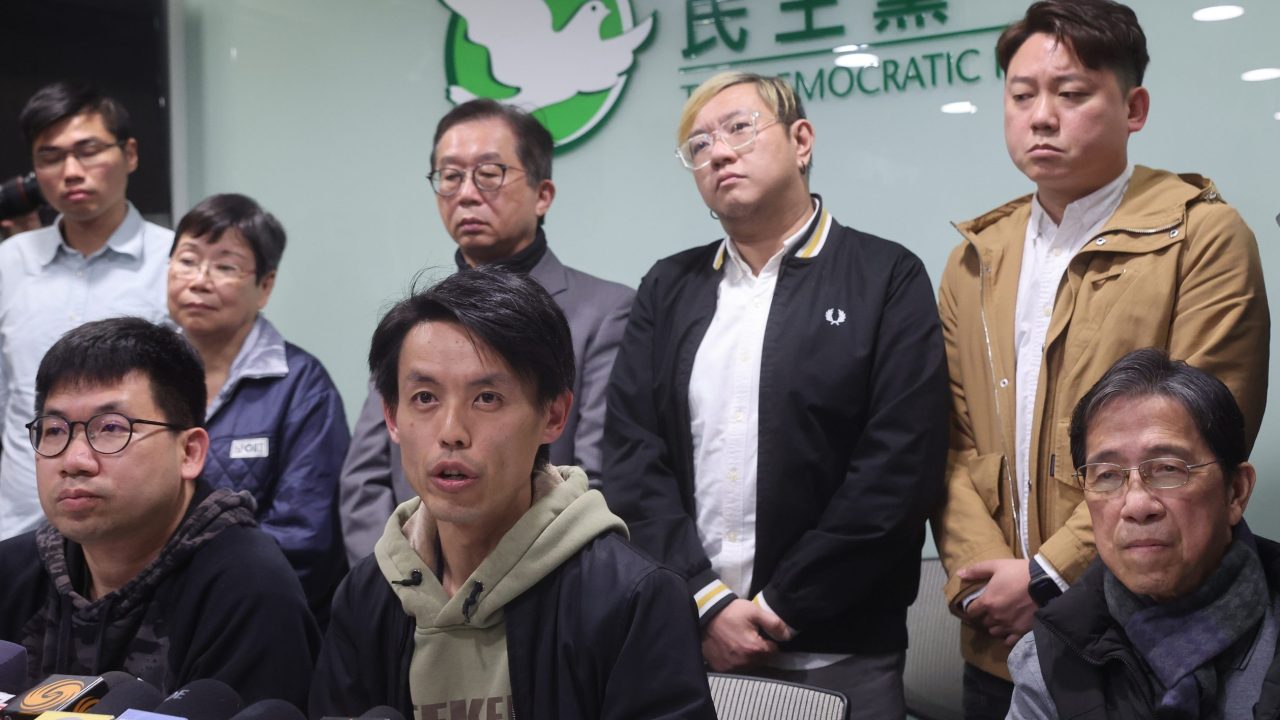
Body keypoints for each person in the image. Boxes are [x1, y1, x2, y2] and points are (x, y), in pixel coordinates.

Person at [932, 2, 1271, 716]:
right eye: (1022, 95)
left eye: (1073, 93)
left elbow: (1210, 433)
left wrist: (1049, 576)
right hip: (994, 634)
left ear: (1134, 106)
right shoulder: (974, 260)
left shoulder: (1202, 236)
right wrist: (982, 580)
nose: (1041, 116)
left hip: (1141, 636)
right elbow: (949, 443)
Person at [603, 71, 948, 715]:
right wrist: (703, 601)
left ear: (801, 141)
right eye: (699, 145)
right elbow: (631, 458)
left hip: (842, 653)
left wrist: (783, 605)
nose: (719, 153)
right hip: (686, 646)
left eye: (738, 128)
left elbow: (899, 470)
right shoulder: (668, 287)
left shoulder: (885, 276)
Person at [312, 267, 714, 719]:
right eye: (424, 398)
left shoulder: (633, 597)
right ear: (391, 417)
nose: (451, 433)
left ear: (554, 415)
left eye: (487, 398)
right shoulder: (367, 596)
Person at [340, 99, 633, 565]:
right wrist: (400, 578)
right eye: (450, 176)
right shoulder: (419, 319)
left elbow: (599, 475)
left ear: (543, 194)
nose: (467, 193)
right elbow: (364, 479)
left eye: (489, 173)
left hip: (545, 577)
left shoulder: (606, 311)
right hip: (414, 584)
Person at [0, 318, 318, 708]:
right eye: (54, 430)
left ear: (190, 453)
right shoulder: (12, 572)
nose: (74, 460)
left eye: (111, 427)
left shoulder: (251, 592)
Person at [1007, 348, 1278, 718]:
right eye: (1107, 475)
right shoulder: (1050, 657)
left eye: (1168, 468)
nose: (1136, 505)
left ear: (1236, 492)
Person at [0, 81, 173, 539]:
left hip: (139, 529)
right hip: (18, 526)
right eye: (50, 157)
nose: (71, 171)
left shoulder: (176, 263)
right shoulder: (9, 263)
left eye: (88, 150)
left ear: (129, 154)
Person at [167, 193, 349, 626]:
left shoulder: (302, 387)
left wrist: (204, 598)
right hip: (143, 619)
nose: (200, 280)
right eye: (187, 260)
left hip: (256, 619)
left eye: (226, 266)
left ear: (264, 286)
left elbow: (305, 539)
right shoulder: (136, 377)